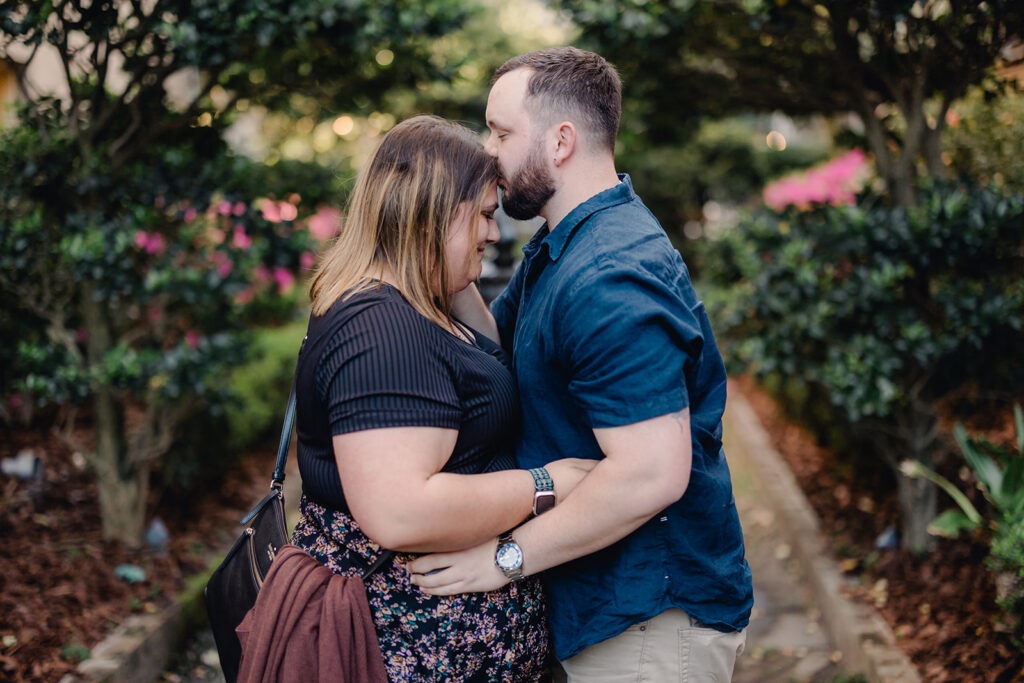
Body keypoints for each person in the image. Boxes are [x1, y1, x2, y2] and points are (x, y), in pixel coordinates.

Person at [408, 48, 754, 681]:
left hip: (647, 624)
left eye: (501, 133)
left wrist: (504, 558)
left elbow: (650, 474)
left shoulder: (609, 275)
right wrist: (428, 235)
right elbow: (496, 342)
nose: (488, 152)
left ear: (561, 141)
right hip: (609, 609)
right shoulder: (564, 243)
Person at [290, 114, 595, 682]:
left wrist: (445, 253)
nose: (494, 234)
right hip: (413, 650)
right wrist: (546, 484)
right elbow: (400, 511)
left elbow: (489, 352)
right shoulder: (381, 330)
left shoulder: (419, 299)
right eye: (484, 214)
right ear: (432, 213)